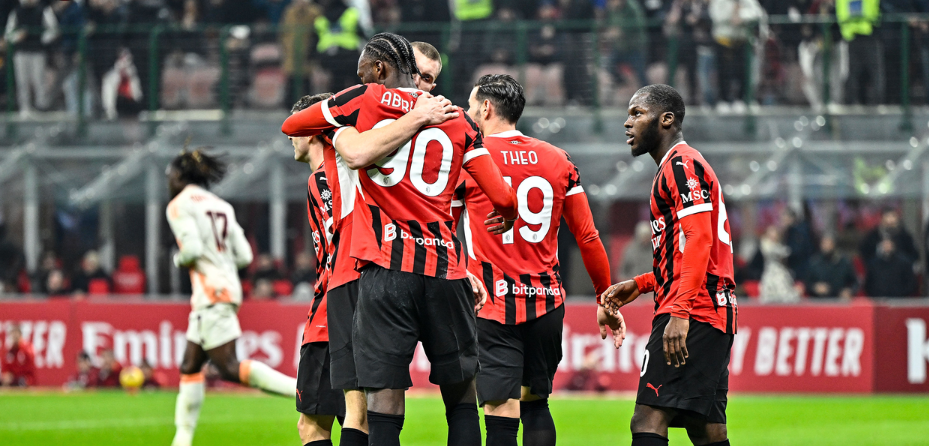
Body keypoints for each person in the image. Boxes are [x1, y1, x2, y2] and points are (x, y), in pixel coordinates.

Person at [282, 32, 519, 446]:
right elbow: (501, 196)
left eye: (364, 73)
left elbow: (293, 124)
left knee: (382, 403)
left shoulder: (366, 101)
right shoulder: (458, 118)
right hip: (447, 270)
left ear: (379, 69)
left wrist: (337, 125)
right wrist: (507, 216)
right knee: (462, 395)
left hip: (386, 270)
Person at [452, 74, 623, 446]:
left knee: (500, 408)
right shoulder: (557, 158)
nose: (467, 113)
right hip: (546, 305)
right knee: (535, 403)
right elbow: (588, 237)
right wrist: (604, 298)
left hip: (493, 304)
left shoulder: (469, 160)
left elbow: (444, 232)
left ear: (486, 107)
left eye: (470, 105)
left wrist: (462, 271)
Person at [601, 84, 737, 446]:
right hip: (708, 308)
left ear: (666, 120)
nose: (627, 123)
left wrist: (680, 309)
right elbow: (688, 249)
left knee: (647, 418)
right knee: (705, 428)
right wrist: (644, 283)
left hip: (695, 309)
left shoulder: (681, 164)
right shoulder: (676, 167)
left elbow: (700, 241)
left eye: (636, 114)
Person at [165, 148, 297, 446]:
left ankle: (303, 390)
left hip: (211, 291)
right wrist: (221, 263)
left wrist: (177, 259)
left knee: (227, 366)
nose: (168, 181)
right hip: (223, 288)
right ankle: (182, 439)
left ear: (181, 175)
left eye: (170, 175)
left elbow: (193, 251)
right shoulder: (221, 205)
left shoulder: (179, 205)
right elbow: (245, 255)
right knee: (190, 364)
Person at [289, 92, 348, 446]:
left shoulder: (322, 179)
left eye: (294, 128)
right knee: (361, 420)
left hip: (331, 316)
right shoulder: (352, 170)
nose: (289, 137)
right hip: (365, 311)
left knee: (312, 427)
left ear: (312, 130)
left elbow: (337, 251)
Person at [4, 0, 59, 117]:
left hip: (38, 51)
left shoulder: (43, 10)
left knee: (39, 80)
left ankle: (42, 107)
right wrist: (17, 36)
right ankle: (25, 108)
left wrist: (42, 39)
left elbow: (53, 29)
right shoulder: (17, 11)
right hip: (21, 51)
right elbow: (8, 33)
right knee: (22, 81)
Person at [805, 233, 858, 299]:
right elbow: (806, 283)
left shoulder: (844, 262)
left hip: (839, 301)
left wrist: (849, 291)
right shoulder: (814, 262)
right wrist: (815, 288)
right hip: (819, 302)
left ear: (834, 244)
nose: (826, 246)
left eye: (829, 243)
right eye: (824, 243)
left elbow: (855, 282)